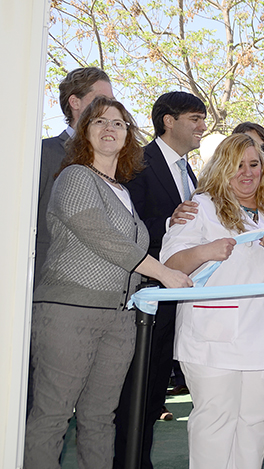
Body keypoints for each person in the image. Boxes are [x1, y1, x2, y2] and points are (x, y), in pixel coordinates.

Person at [25, 97, 191, 469]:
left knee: (100, 420)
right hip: (69, 314)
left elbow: (132, 246)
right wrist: (164, 273)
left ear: (128, 134)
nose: (109, 129)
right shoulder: (74, 175)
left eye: (118, 123)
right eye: (98, 121)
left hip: (119, 320)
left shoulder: (124, 192)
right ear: (84, 132)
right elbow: (102, 237)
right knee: (52, 417)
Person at [160, 132, 264, 468]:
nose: (247, 172)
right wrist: (206, 251)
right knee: (215, 420)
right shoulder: (200, 207)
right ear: (222, 168)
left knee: (255, 420)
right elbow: (169, 265)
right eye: (238, 165)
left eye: (254, 165)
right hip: (212, 337)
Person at [114, 91, 207, 469]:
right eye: (195, 118)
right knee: (133, 395)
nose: (203, 126)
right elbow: (124, 229)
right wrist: (169, 222)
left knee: (152, 395)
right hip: (144, 298)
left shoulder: (190, 172)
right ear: (168, 121)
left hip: (177, 303)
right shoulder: (136, 163)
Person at [36, 67, 114, 288]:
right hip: (47, 285)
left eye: (112, 101)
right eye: (100, 99)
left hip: (98, 288)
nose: (108, 107)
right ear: (75, 102)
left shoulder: (114, 161)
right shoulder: (45, 152)